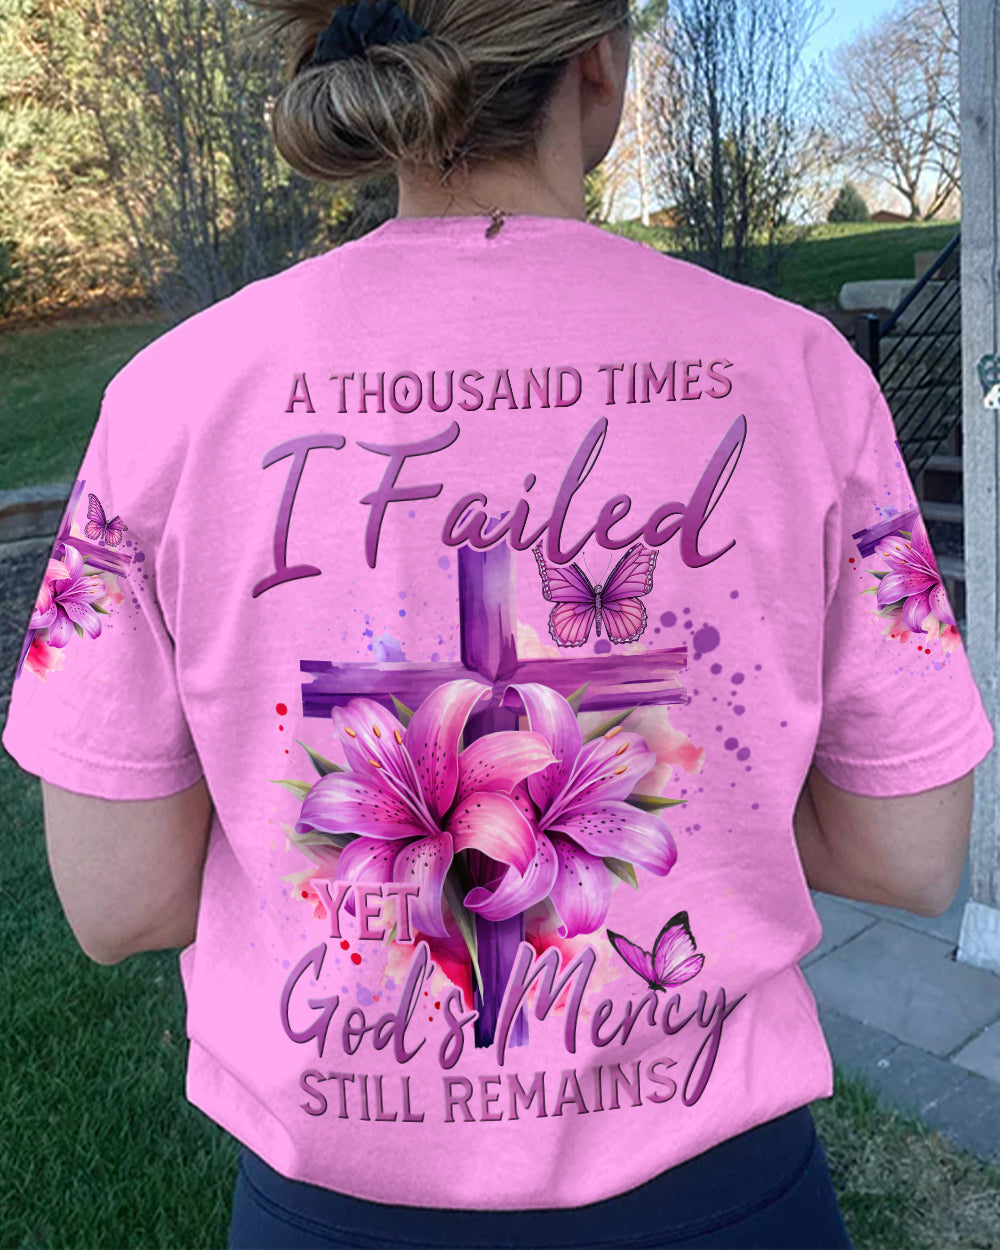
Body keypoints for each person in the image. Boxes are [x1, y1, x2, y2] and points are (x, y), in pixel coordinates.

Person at [2, 0, 992, 1246]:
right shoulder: (802, 377)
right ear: (599, 61)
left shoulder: (170, 401)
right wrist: (706, 807)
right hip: (722, 1199)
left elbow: (117, 901)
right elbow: (908, 854)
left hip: (335, 1213)